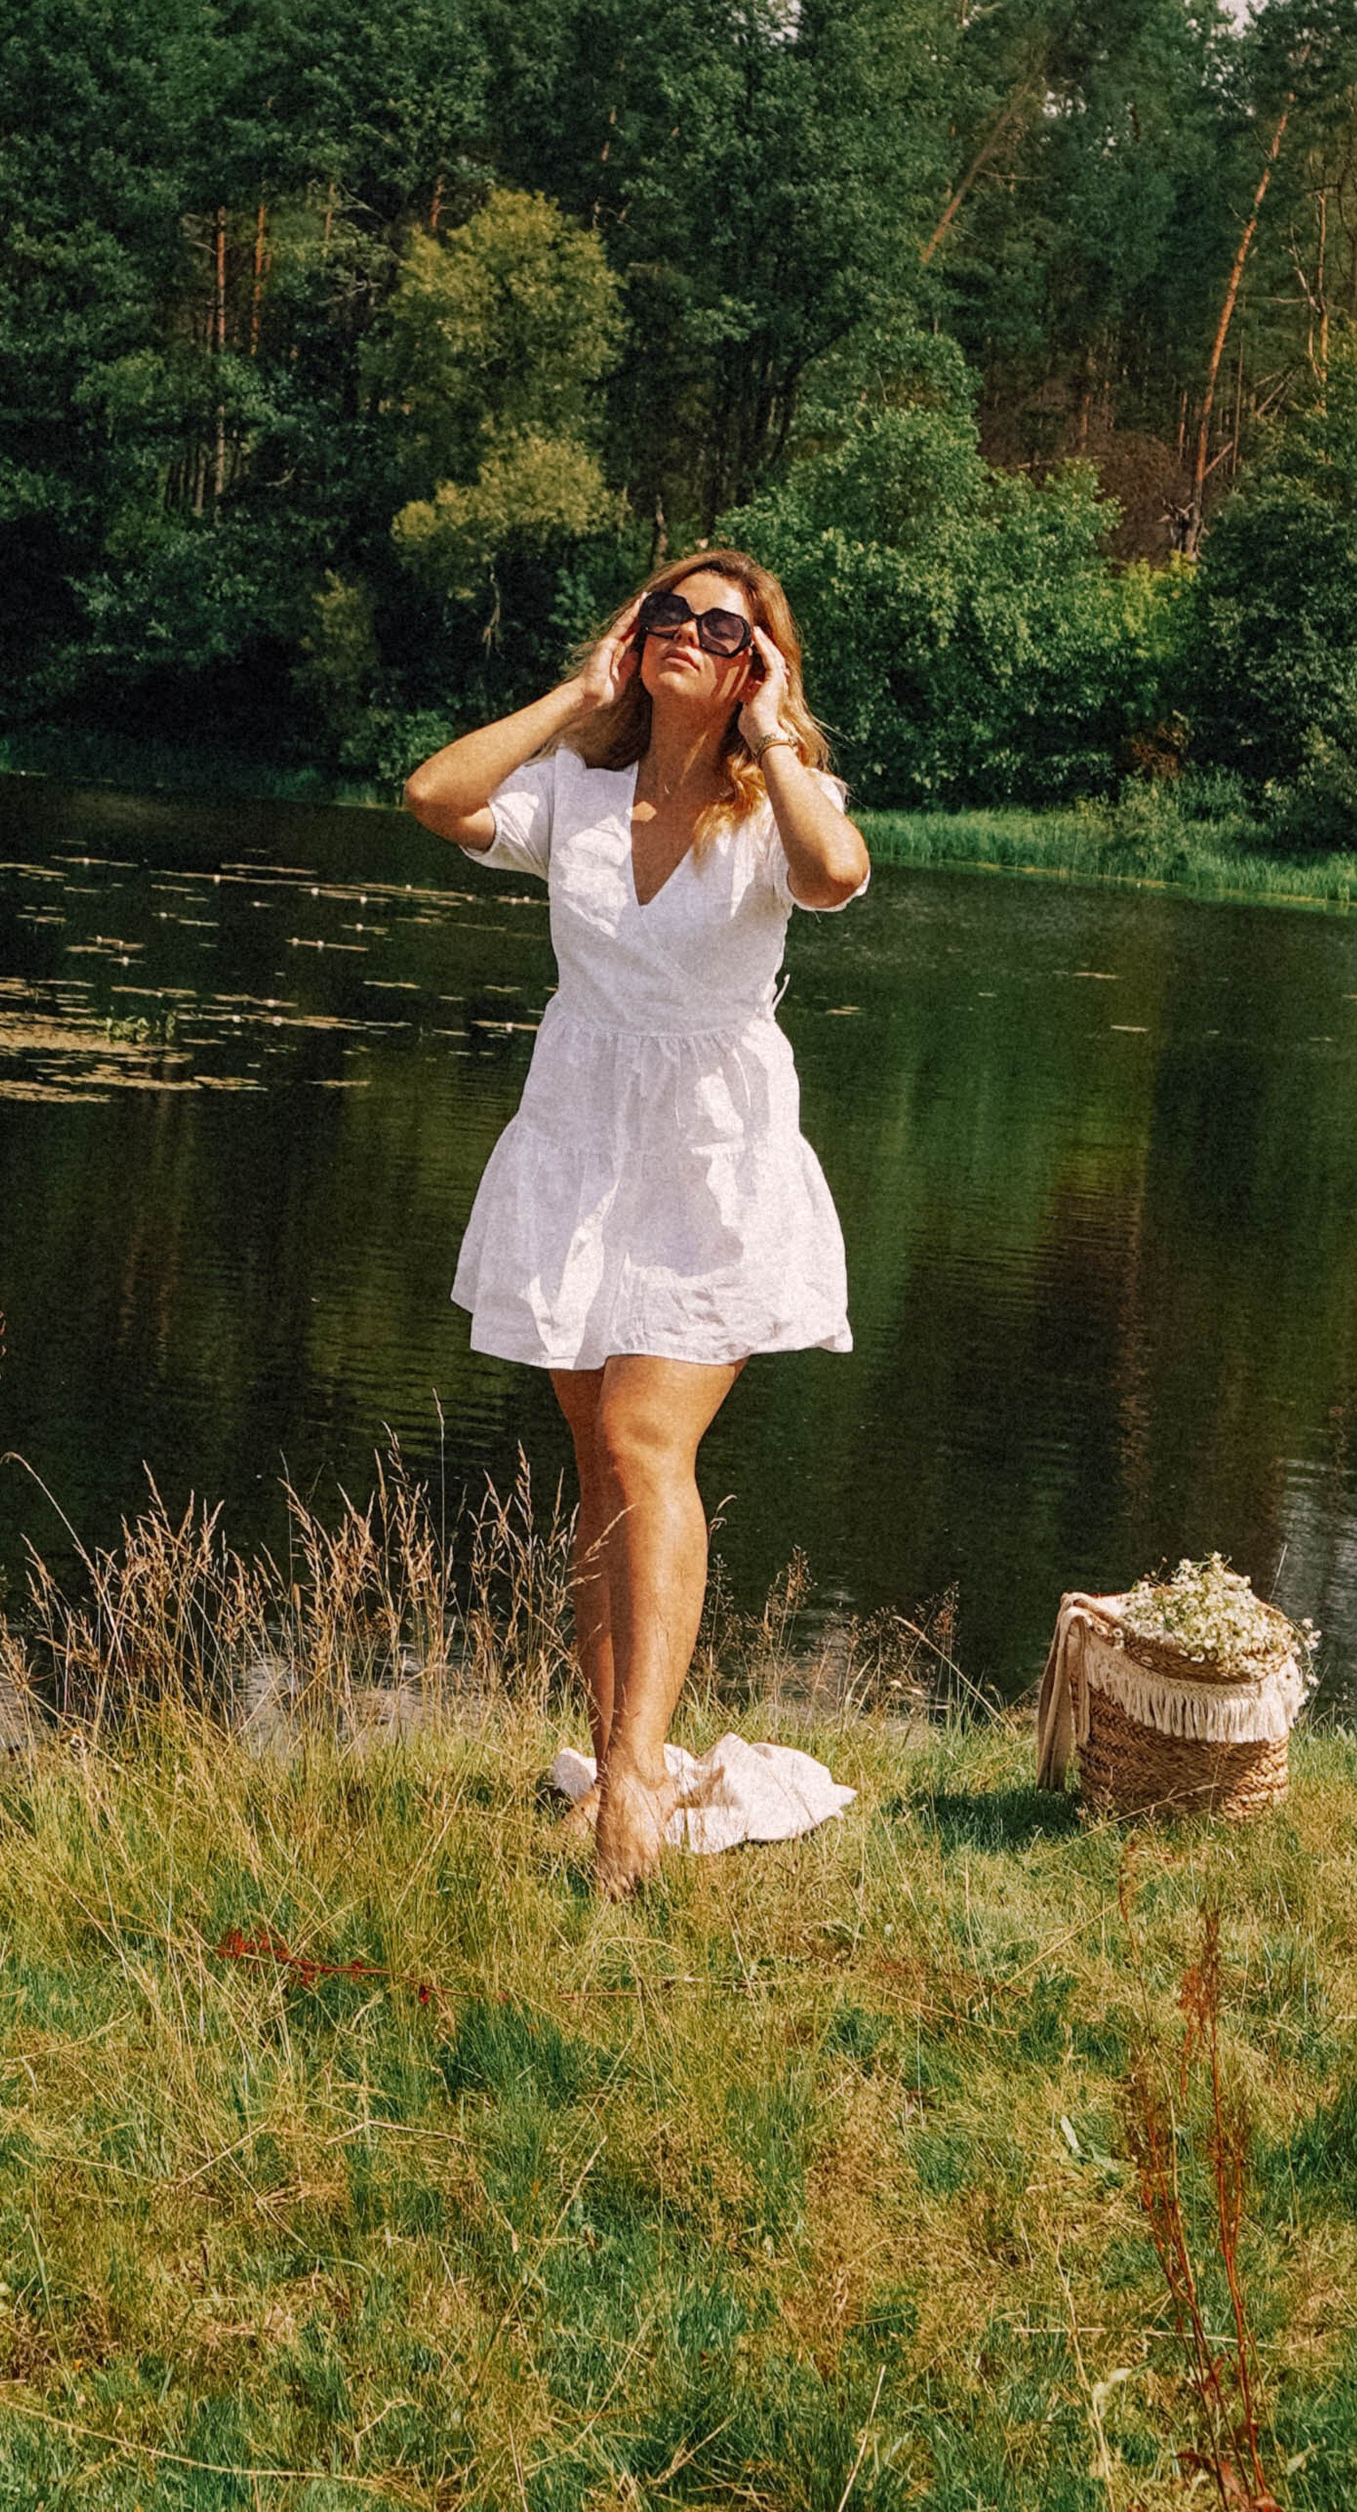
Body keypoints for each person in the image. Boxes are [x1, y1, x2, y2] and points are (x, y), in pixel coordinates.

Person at [404, 555, 869, 1894]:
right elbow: (436, 796)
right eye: (671, 613)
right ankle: (625, 1762)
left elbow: (835, 878)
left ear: (758, 662)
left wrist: (773, 736)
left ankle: (631, 1808)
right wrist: (575, 694)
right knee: (598, 1469)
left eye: (726, 628)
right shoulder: (576, 795)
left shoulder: (782, 801)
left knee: (641, 1439)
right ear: (638, 635)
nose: (691, 634)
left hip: (714, 1160)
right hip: (578, 1143)